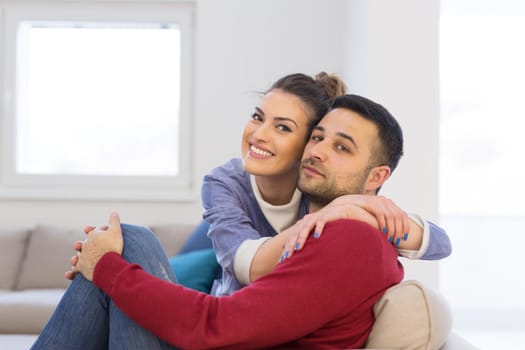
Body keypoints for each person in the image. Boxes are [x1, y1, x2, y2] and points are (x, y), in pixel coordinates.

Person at [32, 94, 449, 349]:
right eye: (318, 137)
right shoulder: (326, 223)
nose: (318, 151)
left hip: (215, 338)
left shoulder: (352, 241)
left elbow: (215, 326)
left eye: (342, 147)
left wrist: (106, 268)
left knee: (125, 247)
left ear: (376, 178)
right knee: (125, 245)